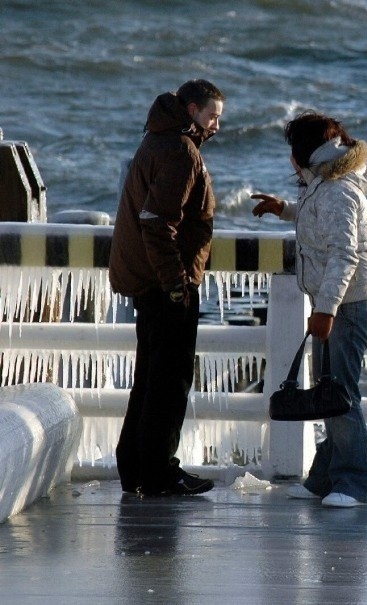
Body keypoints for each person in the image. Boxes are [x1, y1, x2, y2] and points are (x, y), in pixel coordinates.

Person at [251, 111, 367, 508]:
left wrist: (325, 309)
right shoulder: (324, 183)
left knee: (342, 395)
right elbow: (316, 216)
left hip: (349, 304)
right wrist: (284, 209)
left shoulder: (338, 190)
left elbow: (346, 254)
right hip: (336, 303)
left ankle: (354, 484)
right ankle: (325, 477)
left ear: (304, 154)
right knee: (330, 395)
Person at [109, 79, 225, 497]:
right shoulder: (179, 150)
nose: (216, 125)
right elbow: (157, 221)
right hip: (166, 282)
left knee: (150, 375)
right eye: (212, 116)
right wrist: (177, 284)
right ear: (192, 109)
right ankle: (159, 470)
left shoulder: (156, 139)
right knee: (170, 380)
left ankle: (134, 465)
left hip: (147, 279)